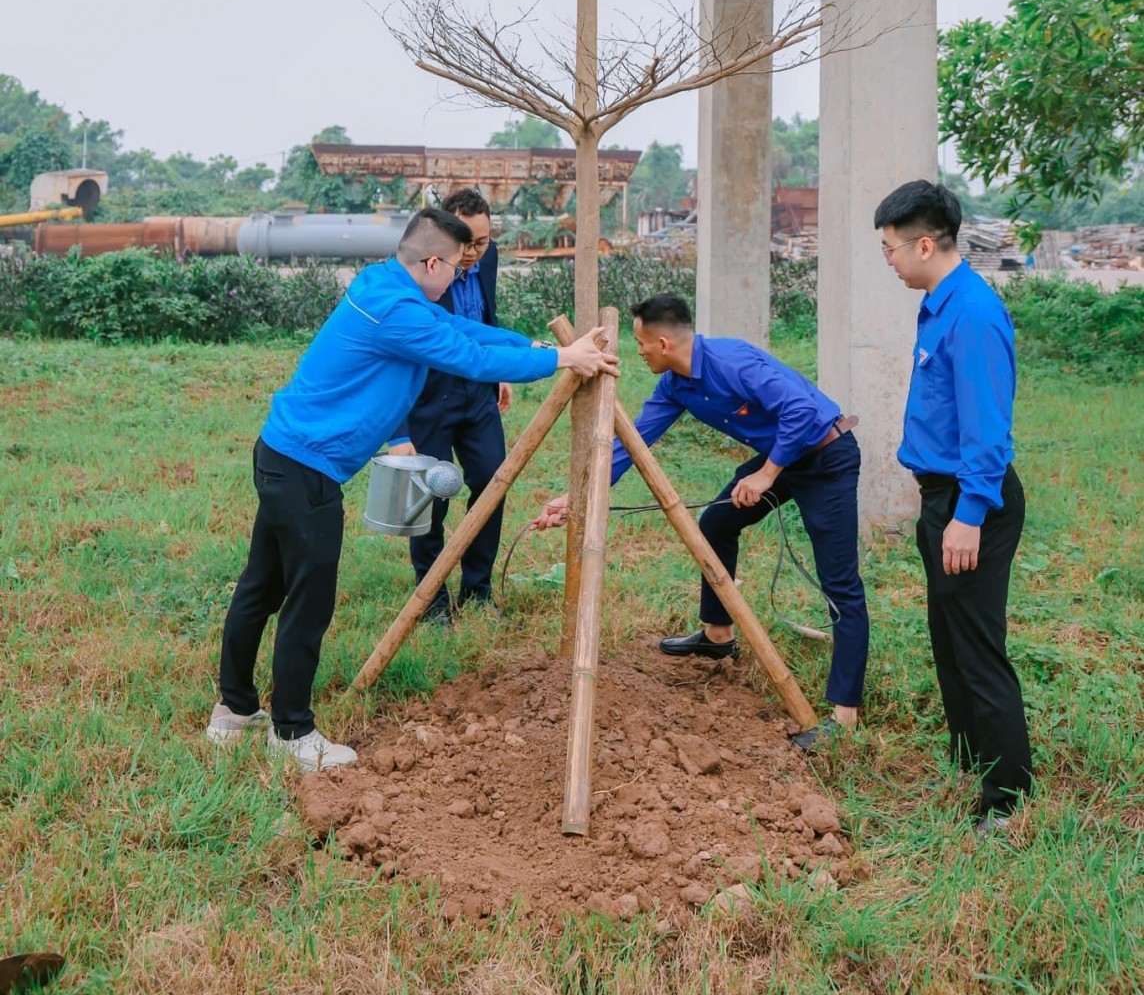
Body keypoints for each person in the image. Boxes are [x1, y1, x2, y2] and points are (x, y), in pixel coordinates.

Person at [206, 206, 617, 773]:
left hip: (284, 453)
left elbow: (465, 330)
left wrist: (536, 345)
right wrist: (559, 360)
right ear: (430, 261)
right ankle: (292, 731)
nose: (458, 278)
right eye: (454, 267)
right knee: (307, 597)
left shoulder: (386, 284)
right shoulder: (396, 310)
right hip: (306, 467)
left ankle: (233, 712)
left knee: (263, 582)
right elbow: (466, 356)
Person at [535, 294, 868, 746]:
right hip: (781, 457)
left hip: (825, 454)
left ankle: (844, 718)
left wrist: (767, 475)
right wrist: (574, 496)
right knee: (715, 523)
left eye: (641, 343)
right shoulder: (676, 385)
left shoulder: (733, 363)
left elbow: (803, 411)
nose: (639, 352)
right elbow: (631, 443)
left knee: (840, 582)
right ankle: (717, 635)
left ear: (665, 342)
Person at [874, 179, 1032, 834]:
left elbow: (988, 430)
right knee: (948, 635)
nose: (888, 259)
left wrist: (968, 514)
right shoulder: (939, 303)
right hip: (944, 497)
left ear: (926, 243)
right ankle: (972, 753)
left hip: (976, 503)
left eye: (890, 248)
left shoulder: (971, 312)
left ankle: (1008, 797)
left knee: (975, 645)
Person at [385, 188, 511, 624]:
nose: (476, 253)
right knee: (430, 496)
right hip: (429, 396)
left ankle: (478, 590)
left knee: (494, 482)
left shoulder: (487, 256)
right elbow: (397, 351)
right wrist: (398, 429)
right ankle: (432, 598)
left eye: (483, 241)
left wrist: (497, 374)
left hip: (477, 390)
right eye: (469, 244)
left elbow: (484, 317)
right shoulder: (422, 271)